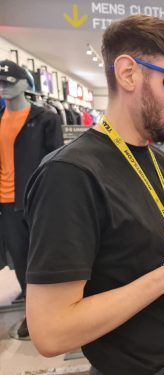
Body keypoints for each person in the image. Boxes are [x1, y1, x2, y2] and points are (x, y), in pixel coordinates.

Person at [24, 15, 164, 375]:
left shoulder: (160, 160)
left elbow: (146, 252)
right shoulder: (69, 174)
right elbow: (50, 332)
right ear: (128, 73)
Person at [0, 59, 63, 339]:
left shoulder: (45, 118)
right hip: (6, 200)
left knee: (41, 256)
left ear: (25, 84)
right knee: (21, 257)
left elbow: (56, 159)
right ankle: (31, 309)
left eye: (9, 83)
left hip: (34, 199)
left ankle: (45, 309)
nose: (3, 89)